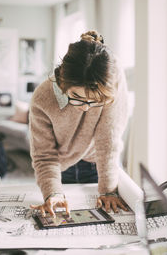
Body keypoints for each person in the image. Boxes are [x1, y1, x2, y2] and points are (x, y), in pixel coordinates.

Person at [29, 30, 129, 218]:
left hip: (99, 164)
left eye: (95, 101)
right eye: (76, 97)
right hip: (61, 168)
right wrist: (53, 193)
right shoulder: (43, 98)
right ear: (63, 84)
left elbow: (109, 139)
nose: (86, 108)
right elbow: (44, 155)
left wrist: (108, 190)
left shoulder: (111, 79)